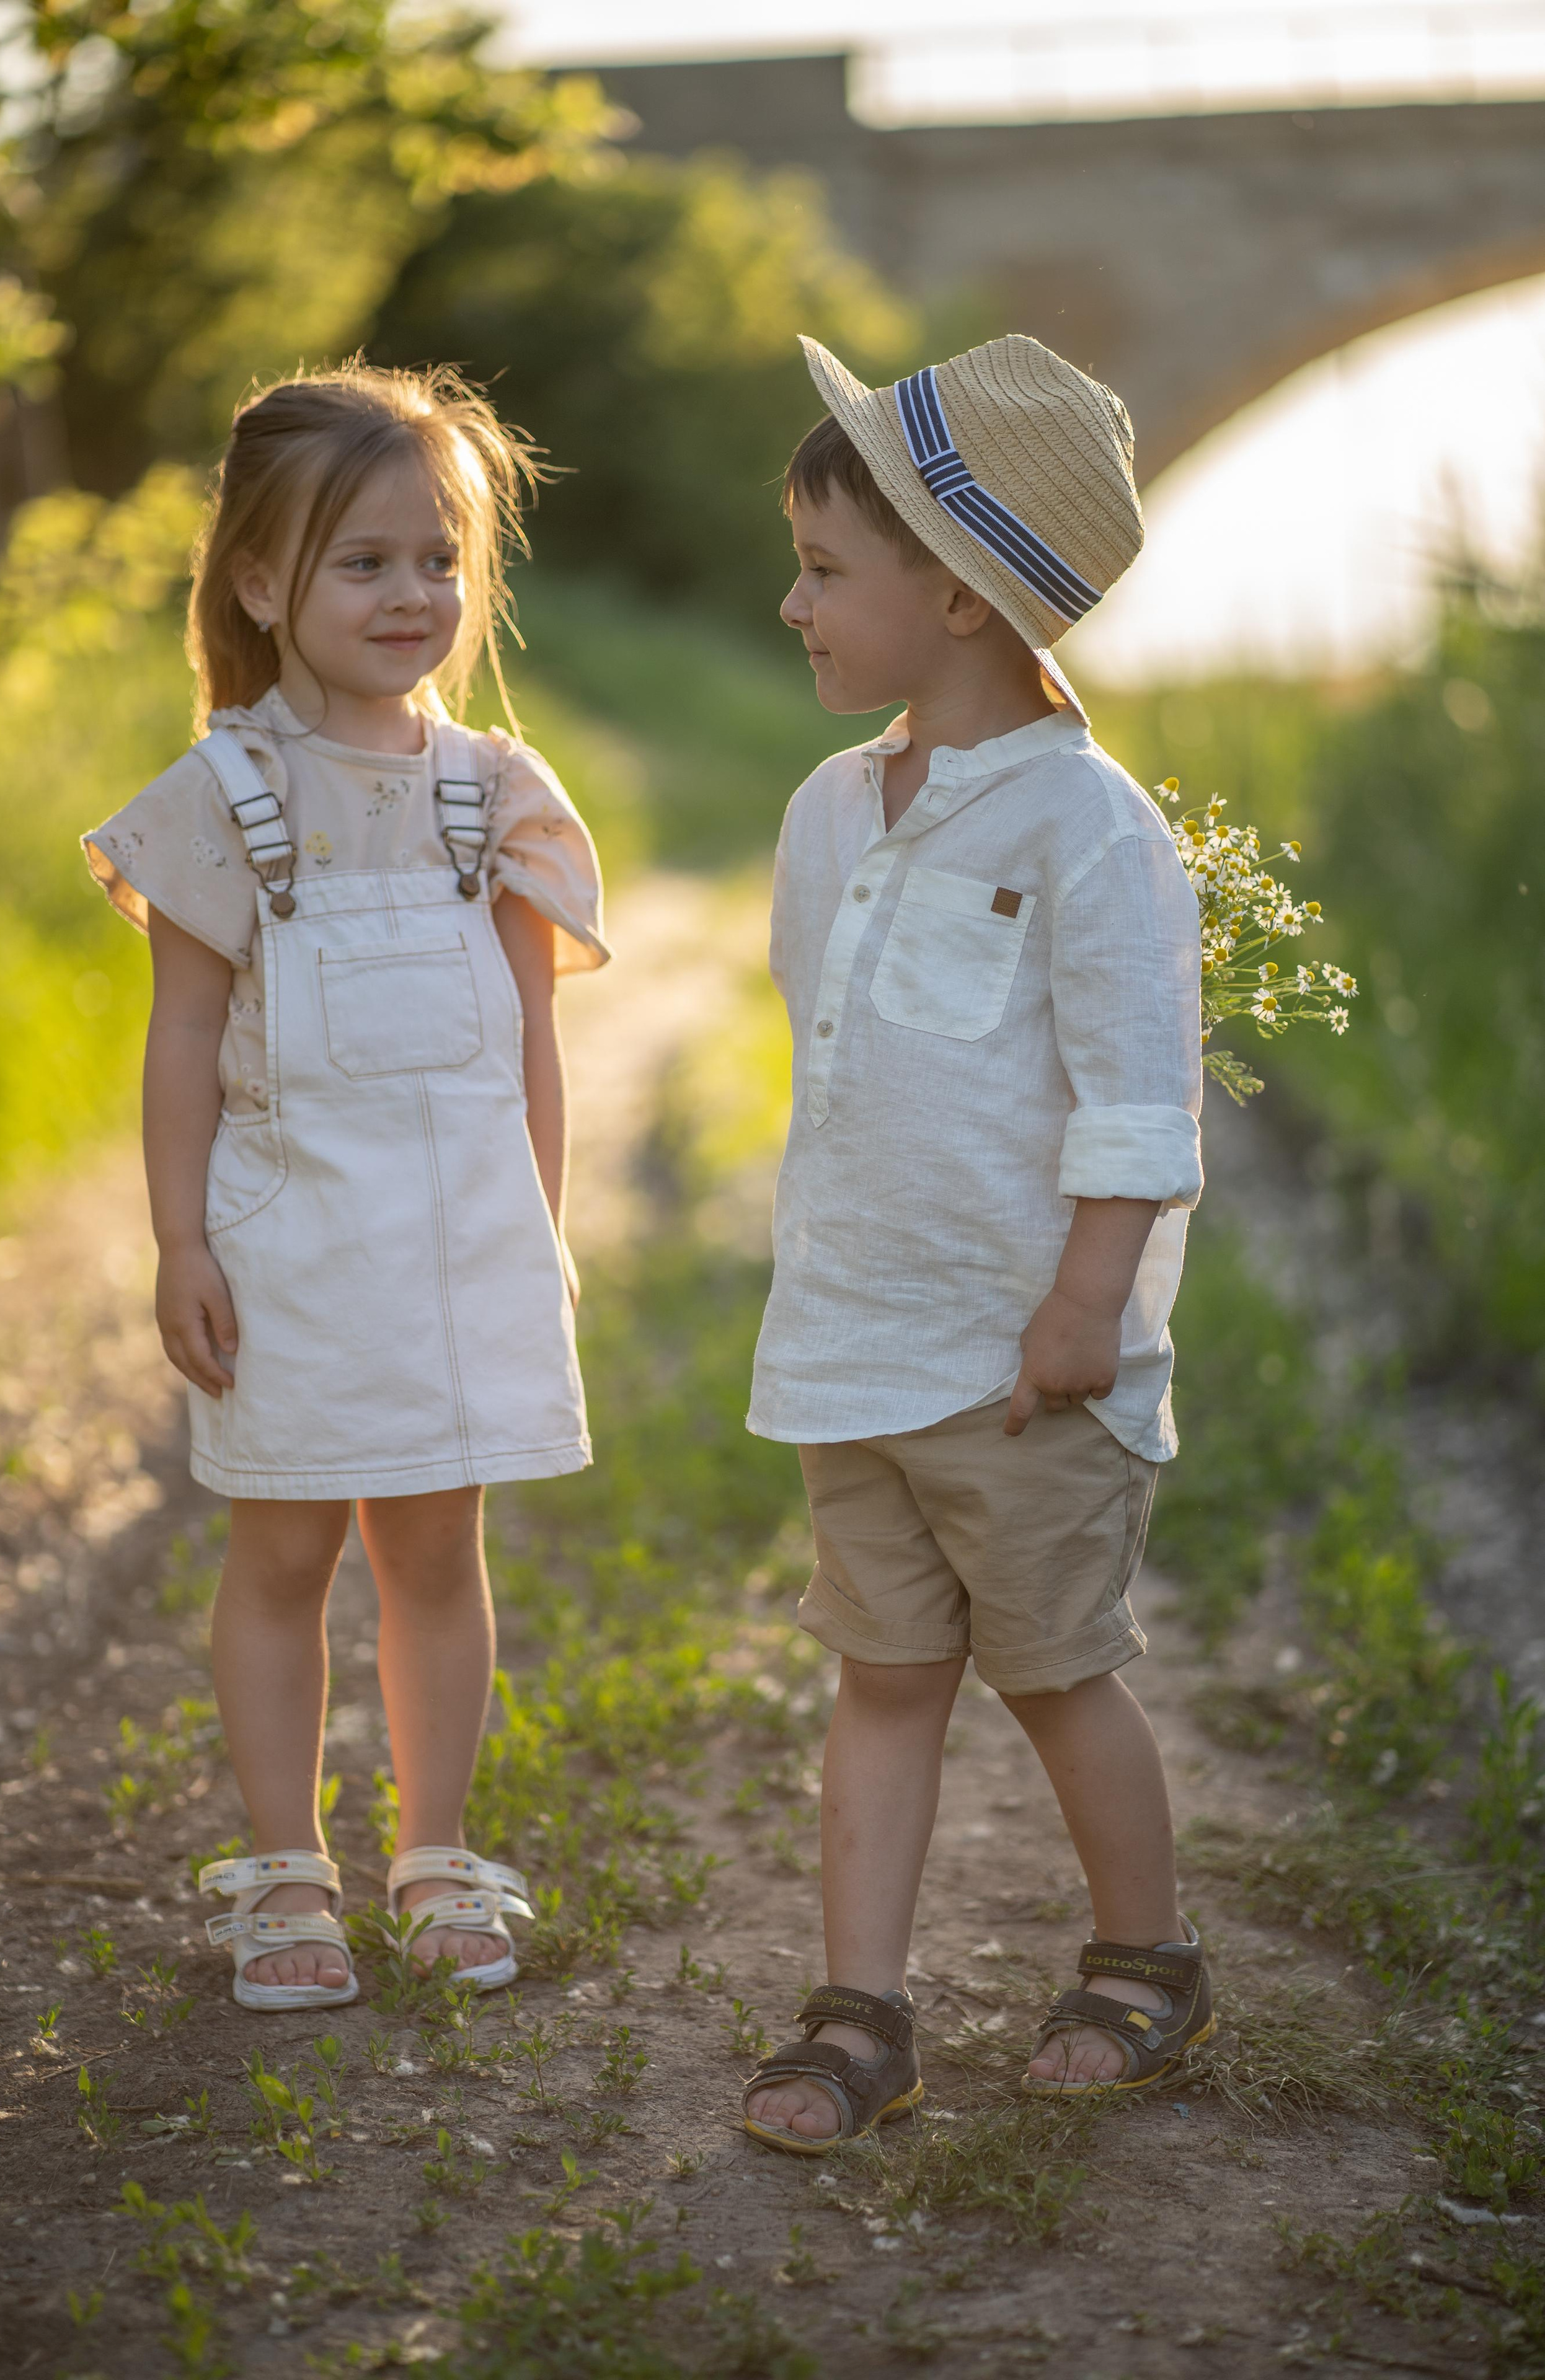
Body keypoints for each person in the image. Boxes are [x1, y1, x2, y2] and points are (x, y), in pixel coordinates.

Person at [83, 364, 608, 2012]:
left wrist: (543, 1226)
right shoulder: (225, 803)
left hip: (458, 1251)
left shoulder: (496, 797)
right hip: (294, 1244)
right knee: (287, 1559)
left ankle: (437, 1855)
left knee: (438, 1560)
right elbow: (180, 1047)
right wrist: (180, 1239)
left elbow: (532, 1038)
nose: (412, 595)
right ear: (259, 582)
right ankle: (287, 1874)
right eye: (362, 562)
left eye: (438, 559)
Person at [740, 334, 1212, 2151]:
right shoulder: (826, 813)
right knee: (880, 1676)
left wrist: (1088, 1301)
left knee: (1056, 1669)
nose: (792, 599)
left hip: (1025, 1359)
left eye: (824, 566)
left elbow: (1132, 1095)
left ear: (952, 595)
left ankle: (1145, 1959)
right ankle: (861, 2013)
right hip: (855, 1343)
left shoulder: (1092, 829)